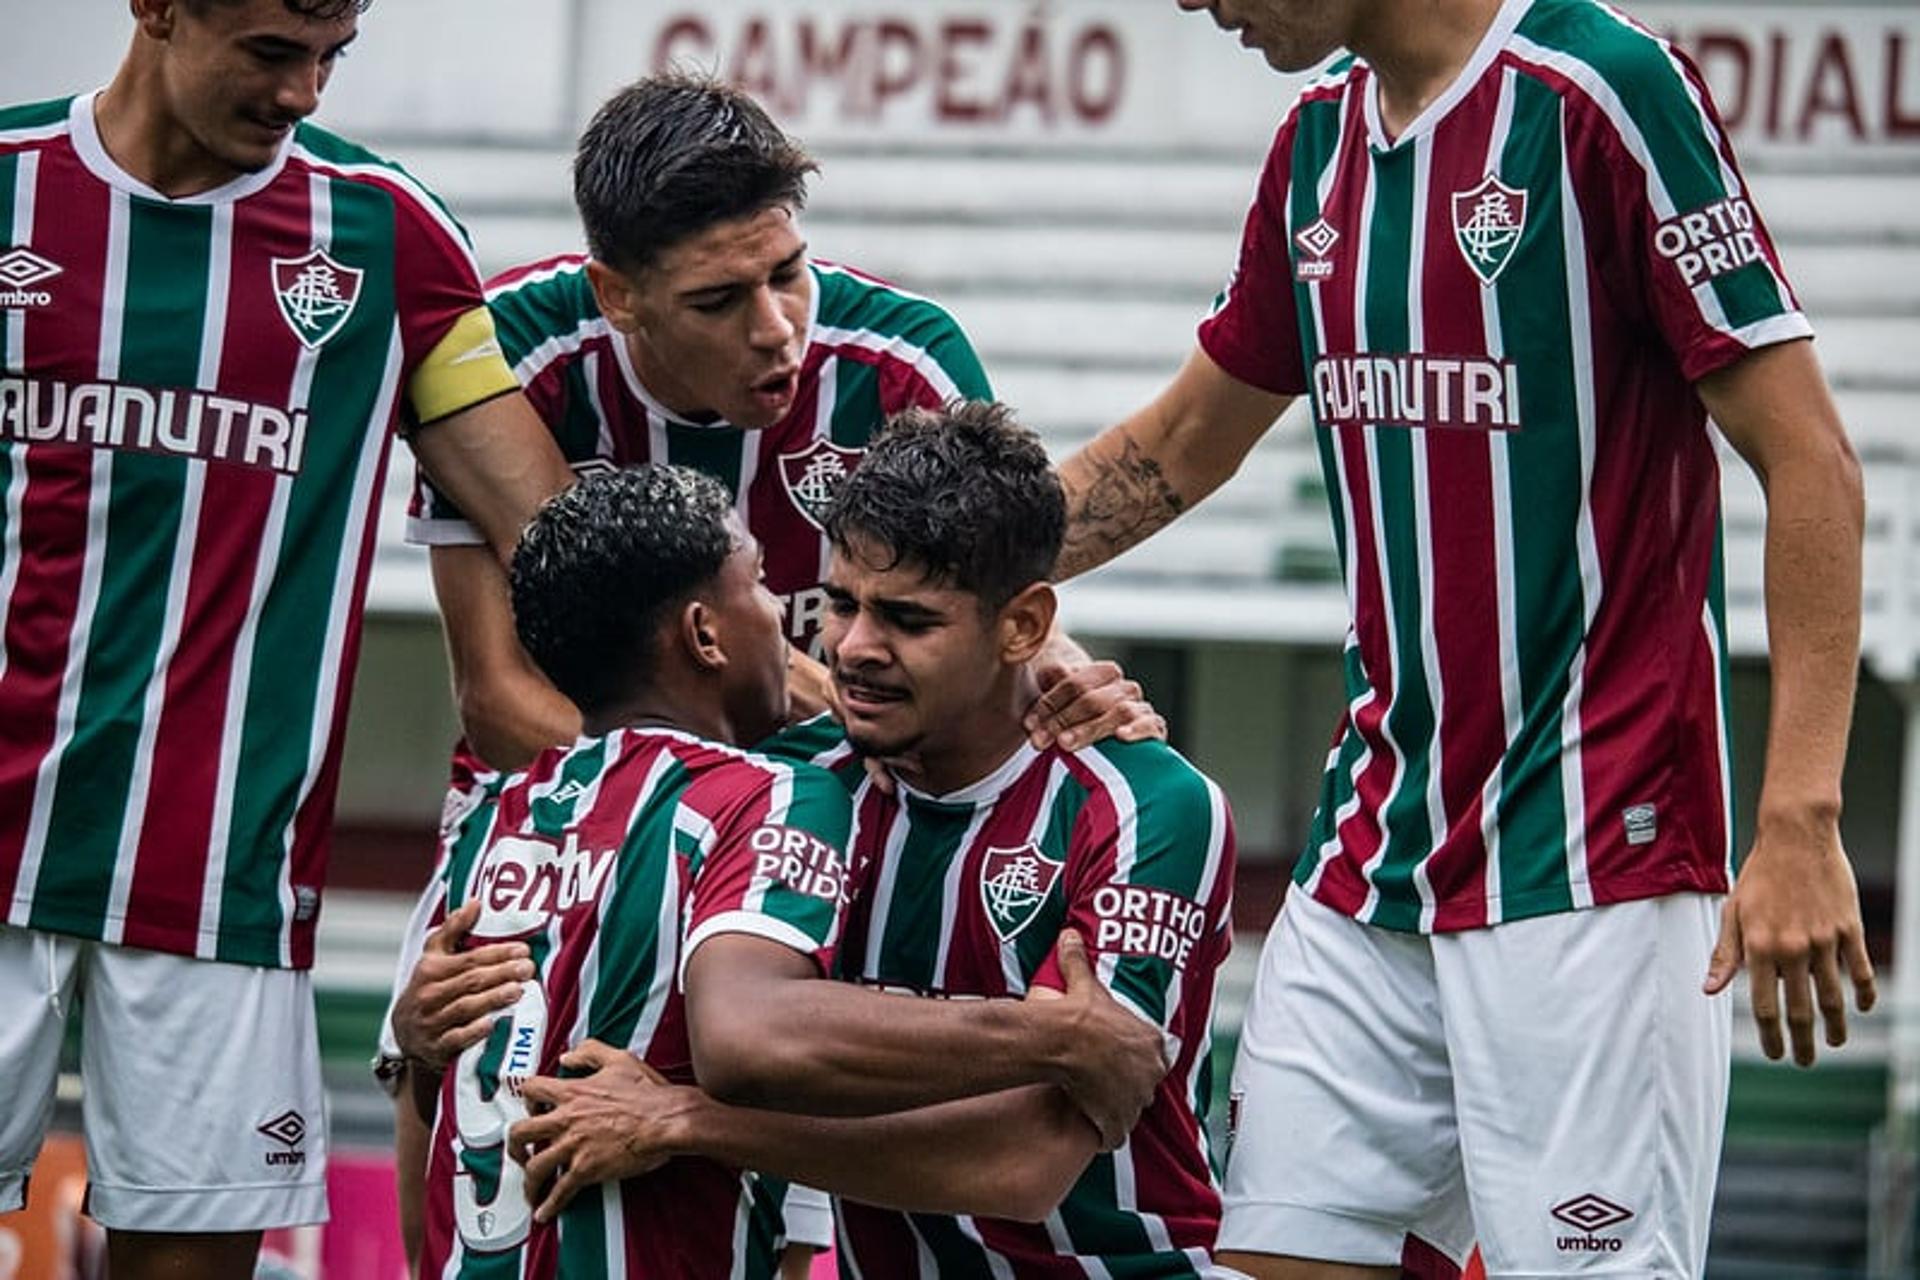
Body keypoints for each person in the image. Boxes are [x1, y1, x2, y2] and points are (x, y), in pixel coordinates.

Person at [1049, 0, 1879, 1275]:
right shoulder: (1316, 142)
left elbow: (1812, 461)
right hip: (1375, 844)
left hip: (1597, 851)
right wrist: (947, 564)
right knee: (1274, 1254)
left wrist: (1802, 815)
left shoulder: (1601, 89)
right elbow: (1180, 442)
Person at [381, 73, 1159, 1269]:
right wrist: (689, 832)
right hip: (549, 804)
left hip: (822, 807)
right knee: (435, 1038)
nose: (777, 326)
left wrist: (1060, 680)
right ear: (617, 294)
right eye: (720, 297)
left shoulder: (899, 357)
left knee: (797, 1124)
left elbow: (984, 630)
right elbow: (497, 694)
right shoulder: (524, 351)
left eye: (788, 272)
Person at [0, 2, 571, 1277]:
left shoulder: (387, 235)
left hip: (226, 877)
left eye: (333, 55)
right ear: (154, 7)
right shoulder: (7, 190)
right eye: (271, 51)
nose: (306, 91)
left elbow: (556, 534)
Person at [504, 401, 1240, 1278]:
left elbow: (1021, 1163)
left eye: (910, 621)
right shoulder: (792, 785)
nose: (853, 648)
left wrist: (687, 1121)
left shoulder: (1145, 806)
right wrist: (420, 1026)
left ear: (1023, 626)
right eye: (844, 604)